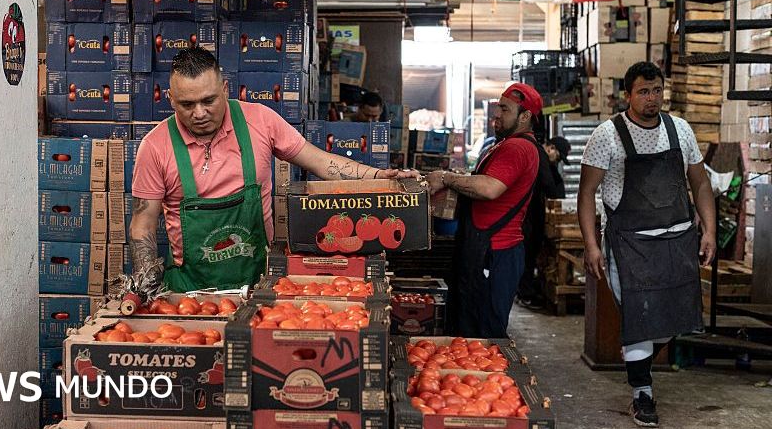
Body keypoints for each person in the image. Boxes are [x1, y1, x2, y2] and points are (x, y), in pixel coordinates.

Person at [129, 48, 418, 293]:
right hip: (189, 292)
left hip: (259, 285)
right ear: (170, 99)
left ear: (225, 89)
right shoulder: (155, 146)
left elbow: (321, 163)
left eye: (209, 100)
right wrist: (146, 282)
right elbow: (144, 222)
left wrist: (380, 177)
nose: (200, 113)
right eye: (187, 105)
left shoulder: (260, 121)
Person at [578, 61, 715, 428]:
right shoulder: (607, 135)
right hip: (630, 244)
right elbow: (587, 192)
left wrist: (710, 231)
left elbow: (700, 183)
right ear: (628, 95)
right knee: (640, 317)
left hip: (678, 239)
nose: (651, 98)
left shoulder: (680, 130)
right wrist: (591, 245)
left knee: (672, 318)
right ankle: (642, 392)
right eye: (643, 91)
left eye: (657, 91)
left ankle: (636, 357)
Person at [427, 82, 542, 338]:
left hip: (494, 253)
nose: (497, 114)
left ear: (524, 116)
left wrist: (445, 178)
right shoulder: (506, 144)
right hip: (486, 249)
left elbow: (490, 188)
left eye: (505, 108)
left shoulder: (518, 147)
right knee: (470, 330)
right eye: (497, 107)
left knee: (483, 335)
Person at [517, 136, 570, 308]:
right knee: (527, 254)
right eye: (559, 157)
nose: (558, 161)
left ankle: (526, 291)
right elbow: (551, 188)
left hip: (532, 215)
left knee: (529, 255)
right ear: (551, 148)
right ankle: (525, 294)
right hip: (528, 216)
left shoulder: (544, 159)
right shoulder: (540, 156)